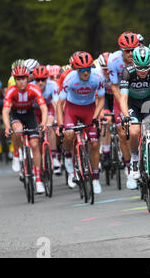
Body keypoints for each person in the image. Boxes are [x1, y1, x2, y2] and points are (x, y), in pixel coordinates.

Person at [117, 46, 150, 195]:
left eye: (145, 68)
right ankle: (134, 158)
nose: (142, 71)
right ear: (133, 63)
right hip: (132, 104)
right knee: (134, 132)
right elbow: (123, 98)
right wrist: (125, 115)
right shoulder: (127, 72)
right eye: (139, 68)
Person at [56, 51, 105, 194]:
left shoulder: (97, 77)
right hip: (72, 108)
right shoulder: (69, 79)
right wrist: (60, 125)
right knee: (69, 134)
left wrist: (96, 117)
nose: (85, 73)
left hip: (89, 109)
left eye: (88, 69)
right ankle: (67, 156)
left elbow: (101, 99)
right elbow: (60, 104)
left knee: (94, 143)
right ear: (76, 69)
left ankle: (95, 178)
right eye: (82, 70)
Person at [3, 65, 48, 194]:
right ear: (15, 80)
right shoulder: (11, 91)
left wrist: (43, 123)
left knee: (35, 145)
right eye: (18, 79)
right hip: (16, 114)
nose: (21, 81)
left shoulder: (34, 89)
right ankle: (16, 154)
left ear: (28, 78)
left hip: (29, 114)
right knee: (17, 129)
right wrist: (7, 127)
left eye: (23, 78)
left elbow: (43, 107)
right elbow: (6, 111)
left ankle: (38, 180)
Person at [109, 31, 140, 182]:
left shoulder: (142, 55)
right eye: (127, 50)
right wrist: (123, 102)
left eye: (133, 49)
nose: (131, 53)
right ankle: (129, 167)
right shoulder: (113, 60)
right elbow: (114, 86)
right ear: (121, 50)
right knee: (122, 132)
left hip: (140, 93)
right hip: (121, 96)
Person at [32, 65, 61, 175]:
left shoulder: (52, 85)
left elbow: (55, 103)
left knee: (49, 128)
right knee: (36, 132)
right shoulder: (31, 87)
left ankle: (53, 157)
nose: (40, 82)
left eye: (43, 79)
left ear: (47, 79)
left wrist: (58, 121)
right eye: (37, 80)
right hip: (35, 110)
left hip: (48, 108)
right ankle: (38, 154)